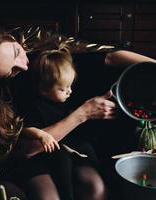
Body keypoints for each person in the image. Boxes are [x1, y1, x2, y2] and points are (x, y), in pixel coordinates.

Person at [0, 23, 156, 200]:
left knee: (95, 188)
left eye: (15, 53)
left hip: (73, 144)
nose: (22, 66)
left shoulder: (43, 50)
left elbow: (110, 57)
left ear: (11, 38)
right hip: (33, 152)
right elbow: (26, 149)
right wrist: (83, 113)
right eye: (10, 71)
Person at [21, 48, 106, 200]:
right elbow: (25, 130)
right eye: (63, 88)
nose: (69, 92)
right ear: (44, 89)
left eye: (70, 86)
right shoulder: (34, 106)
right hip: (42, 153)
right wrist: (41, 134)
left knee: (92, 180)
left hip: (68, 147)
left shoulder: (66, 100)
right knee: (61, 165)